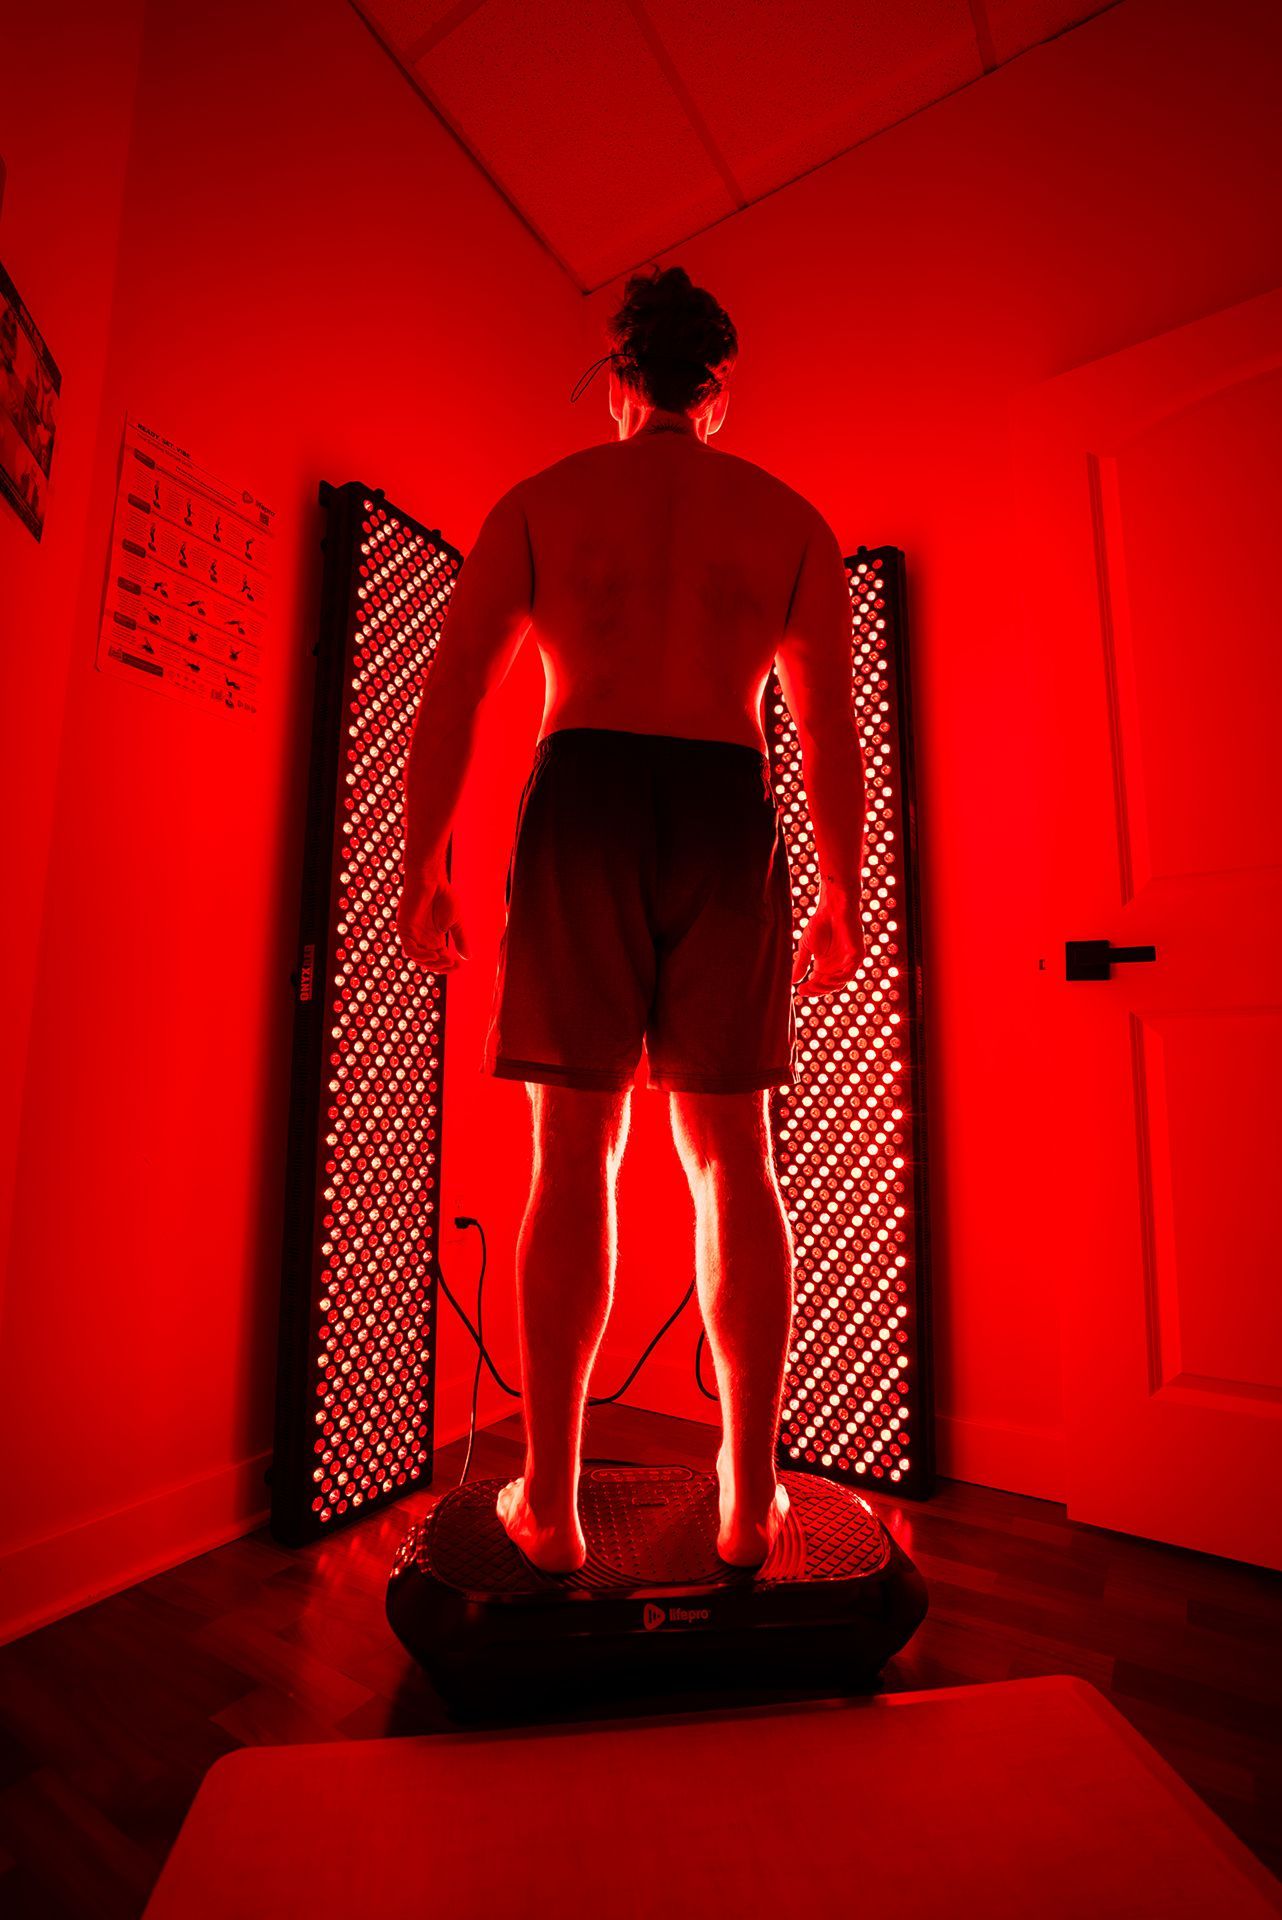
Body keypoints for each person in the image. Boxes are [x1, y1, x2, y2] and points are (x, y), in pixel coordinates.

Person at [397, 265, 867, 1574]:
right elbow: (825, 732)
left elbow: (453, 698)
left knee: (572, 1159)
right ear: (719, 394)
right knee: (736, 1164)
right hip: (727, 803)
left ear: (617, 383)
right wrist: (838, 884)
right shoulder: (784, 519)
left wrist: (420, 861)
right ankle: (750, 1499)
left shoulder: (546, 501)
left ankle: (545, 1501)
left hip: (584, 795)